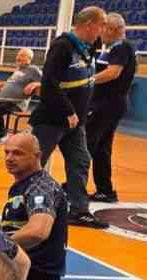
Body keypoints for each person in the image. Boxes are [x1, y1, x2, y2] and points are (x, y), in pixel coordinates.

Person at [31, 6, 108, 229]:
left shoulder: (90, 47)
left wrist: (83, 111)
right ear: (89, 24)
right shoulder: (62, 46)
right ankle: (21, 207)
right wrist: (68, 111)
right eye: (101, 25)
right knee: (34, 164)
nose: (103, 30)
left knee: (80, 162)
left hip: (76, 123)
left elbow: (84, 81)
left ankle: (79, 211)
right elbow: (49, 85)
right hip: (52, 120)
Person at [2, 132, 69, 280]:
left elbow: (38, 232)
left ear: (37, 156)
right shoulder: (23, 184)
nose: (9, 158)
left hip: (35, 277)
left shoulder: (42, 187)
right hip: (19, 266)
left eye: (18, 153)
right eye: (7, 152)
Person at [87, 13, 138, 203]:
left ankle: (75, 186)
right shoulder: (113, 48)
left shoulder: (121, 47)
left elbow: (113, 73)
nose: (100, 31)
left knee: (86, 144)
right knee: (101, 148)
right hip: (108, 104)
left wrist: (86, 80)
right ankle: (105, 190)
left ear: (113, 29)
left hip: (107, 105)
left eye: (103, 27)